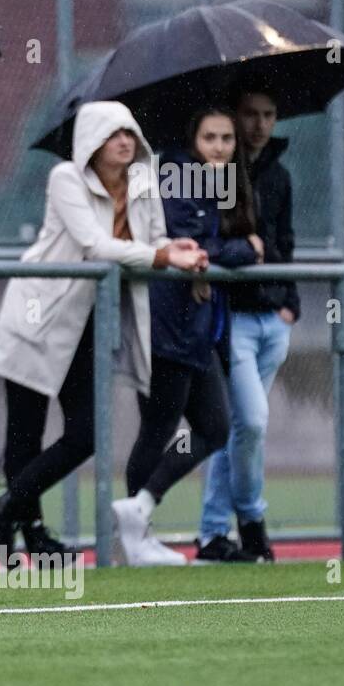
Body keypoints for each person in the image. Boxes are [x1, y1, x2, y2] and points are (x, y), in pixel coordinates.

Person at [0, 101, 207, 564]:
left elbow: (153, 239)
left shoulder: (143, 181)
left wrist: (170, 247)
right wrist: (161, 257)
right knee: (25, 432)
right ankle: (30, 533)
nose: (124, 142)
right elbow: (95, 246)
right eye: (112, 134)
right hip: (39, 314)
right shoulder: (66, 179)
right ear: (90, 142)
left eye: (129, 133)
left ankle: (0, 512)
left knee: (86, 433)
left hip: (88, 322)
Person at [114, 107, 261, 563]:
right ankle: (135, 537)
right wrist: (240, 250)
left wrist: (219, 255)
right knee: (159, 427)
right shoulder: (176, 171)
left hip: (198, 329)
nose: (219, 147)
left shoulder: (220, 182)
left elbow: (206, 248)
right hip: (166, 323)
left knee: (214, 427)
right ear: (192, 138)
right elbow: (186, 244)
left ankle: (139, 510)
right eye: (210, 137)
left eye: (227, 139)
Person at [197, 87, 298, 562]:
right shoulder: (213, 177)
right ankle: (252, 520)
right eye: (250, 115)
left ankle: (214, 532)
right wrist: (248, 250)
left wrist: (289, 303)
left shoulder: (278, 176)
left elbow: (284, 245)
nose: (259, 124)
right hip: (232, 320)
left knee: (238, 428)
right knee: (252, 422)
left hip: (272, 320)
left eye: (269, 114)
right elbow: (210, 247)